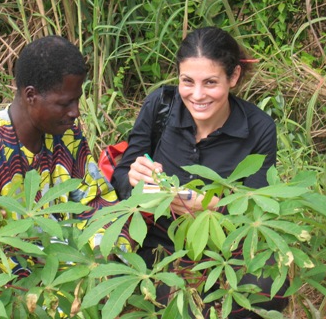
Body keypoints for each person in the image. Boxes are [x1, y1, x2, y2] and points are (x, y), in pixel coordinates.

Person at [0, 35, 130, 287]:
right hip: (1, 286)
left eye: (77, 100)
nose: (75, 112)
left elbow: (98, 205)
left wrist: (98, 263)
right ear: (30, 95)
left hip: (63, 274)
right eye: (64, 103)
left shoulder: (68, 137)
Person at [112, 27, 288, 318]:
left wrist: (210, 207)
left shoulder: (259, 128)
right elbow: (121, 180)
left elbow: (258, 210)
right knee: (180, 308)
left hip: (226, 251)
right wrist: (133, 177)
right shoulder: (160, 105)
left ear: (233, 78)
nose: (197, 95)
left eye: (210, 83)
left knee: (267, 290)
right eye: (187, 81)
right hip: (158, 245)